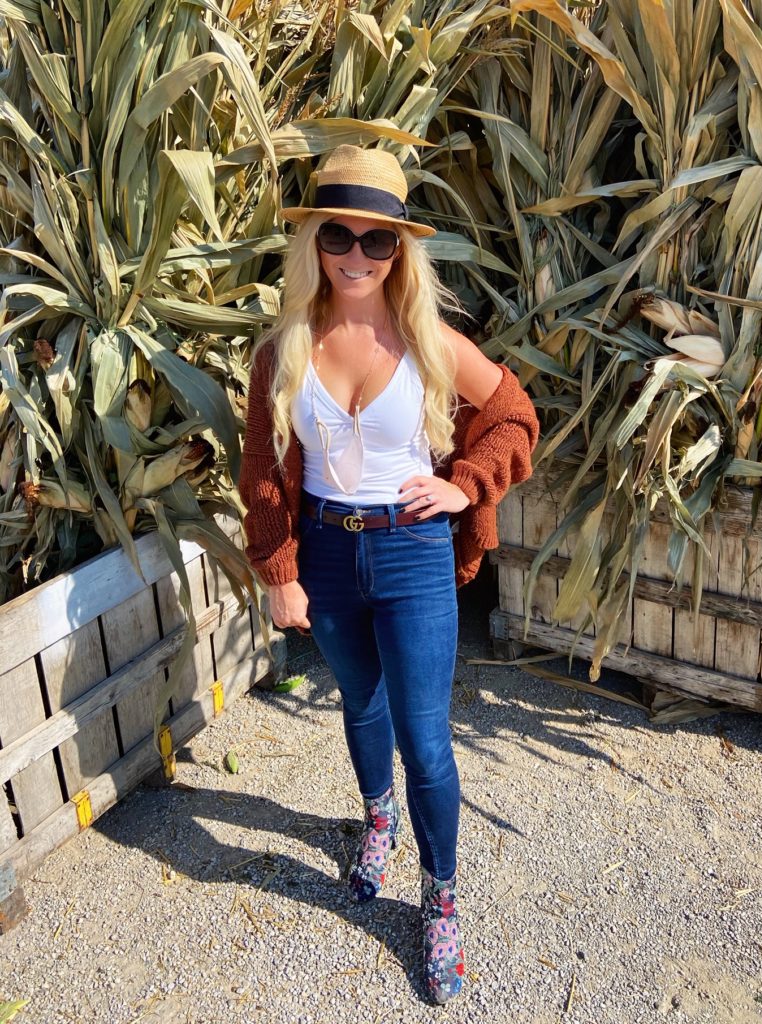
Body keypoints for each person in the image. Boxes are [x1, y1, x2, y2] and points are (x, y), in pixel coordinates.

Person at [238, 144, 538, 1004]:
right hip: (327, 555)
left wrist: (462, 485)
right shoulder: (283, 348)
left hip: (410, 553)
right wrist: (278, 567)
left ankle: (439, 900)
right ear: (314, 242)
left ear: (401, 250)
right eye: (340, 235)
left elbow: (514, 416)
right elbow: (262, 465)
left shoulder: (428, 341)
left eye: (378, 241)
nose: (357, 256)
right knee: (358, 705)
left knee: (426, 739)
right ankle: (377, 822)